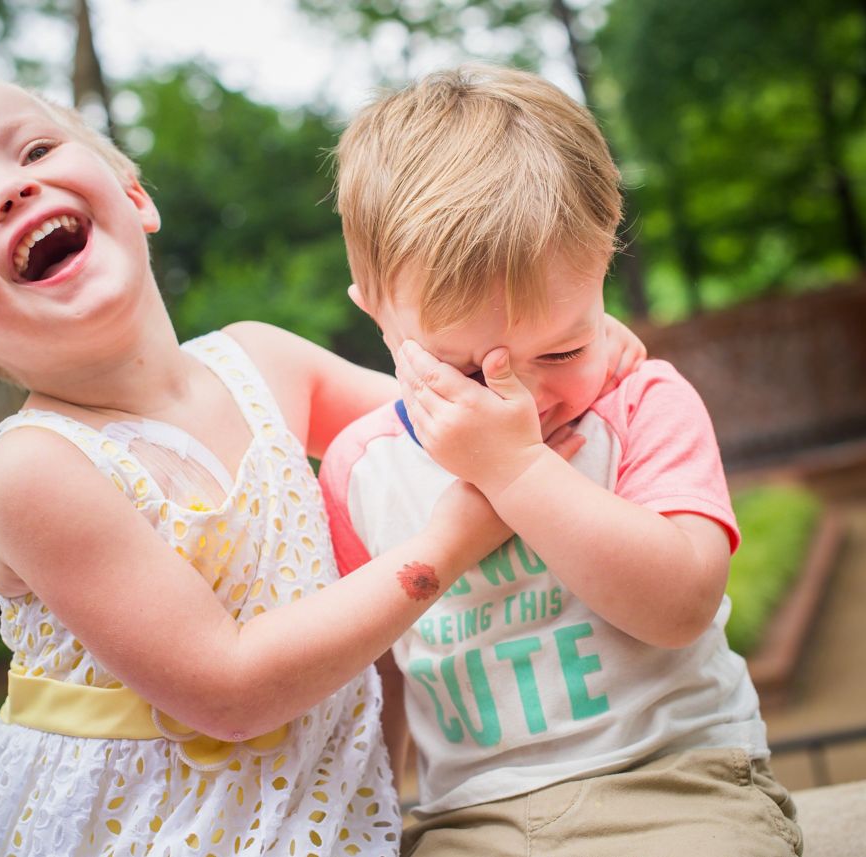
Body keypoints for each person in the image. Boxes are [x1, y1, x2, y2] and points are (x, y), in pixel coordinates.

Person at [0, 73, 646, 856]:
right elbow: (229, 689)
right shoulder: (38, 467)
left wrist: (573, 357)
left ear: (134, 198)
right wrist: (444, 546)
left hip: (307, 816)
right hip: (148, 827)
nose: (9, 190)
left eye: (32, 149)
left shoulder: (263, 359)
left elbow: (447, 420)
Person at [319, 65, 803, 857]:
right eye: (467, 370)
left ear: (604, 262)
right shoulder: (360, 469)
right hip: (467, 820)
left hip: (677, 787)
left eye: (564, 348)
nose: (520, 400)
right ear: (376, 311)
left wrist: (516, 471)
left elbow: (679, 605)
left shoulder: (643, 404)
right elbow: (380, 676)